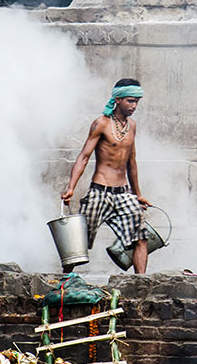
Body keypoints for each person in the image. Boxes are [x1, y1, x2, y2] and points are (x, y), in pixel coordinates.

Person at [61, 78, 152, 273]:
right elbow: (84, 157)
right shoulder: (101, 124)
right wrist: (71, 188)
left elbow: (132, 162)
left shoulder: (132, 126)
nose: (134, 106)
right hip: (99, 191)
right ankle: (64, 283)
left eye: (137, 101)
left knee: (141, 237)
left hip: (123, 193)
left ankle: (141, 285)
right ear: (117, 99)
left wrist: (138, 194)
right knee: (79, 240)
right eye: (130, 100)